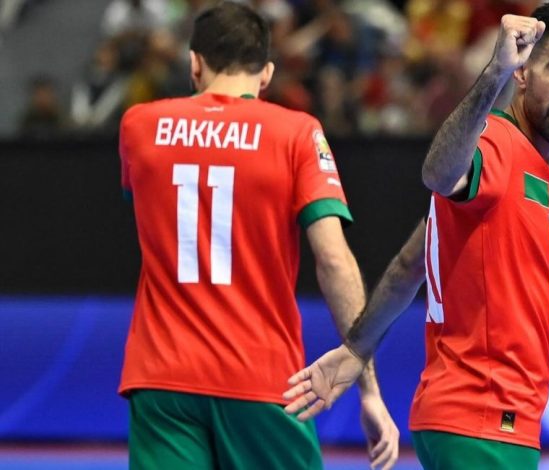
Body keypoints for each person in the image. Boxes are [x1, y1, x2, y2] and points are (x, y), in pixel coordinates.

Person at [283, 2, 549, 468]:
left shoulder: (528, 167)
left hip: (467, 421)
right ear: (522, 72)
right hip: (486, 421)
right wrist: (494, 73)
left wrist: (356, 348)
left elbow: (408, 265)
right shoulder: (499, 145)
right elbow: (438, 174)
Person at [117, 3, 398, 469]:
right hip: (261, 378)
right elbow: (334, 260)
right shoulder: (296, 133)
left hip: (160, 378)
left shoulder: (139, 126)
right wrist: (367, 387)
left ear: (194, 63)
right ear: (266, 73)